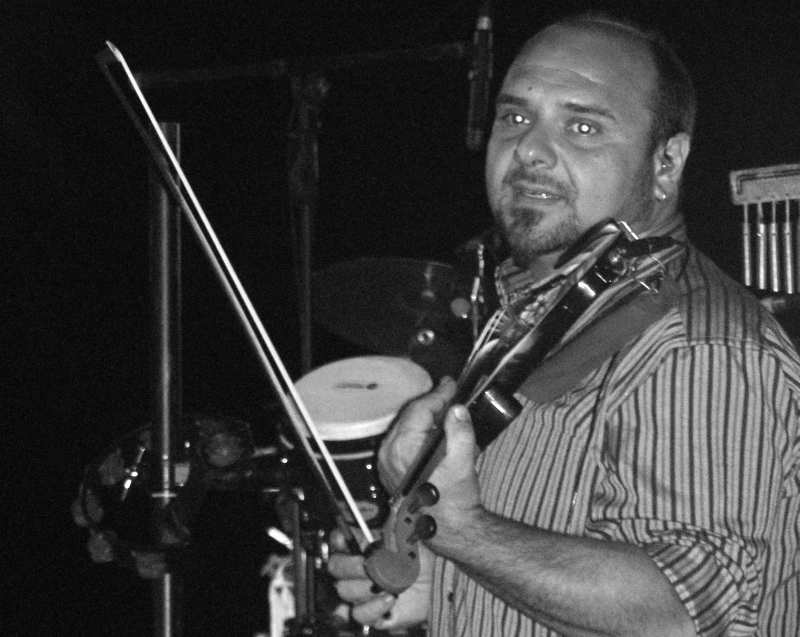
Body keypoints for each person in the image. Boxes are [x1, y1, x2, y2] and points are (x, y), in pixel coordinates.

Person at [329, 12, 800, 637]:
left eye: (582, 127)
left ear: (666, 162)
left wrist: (459, 530)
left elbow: (678, 613)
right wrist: (442, 583)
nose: (529, 149)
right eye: (515, 117)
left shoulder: (699, 345)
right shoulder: (535, 321)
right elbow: (546, 553)